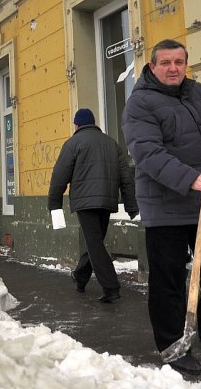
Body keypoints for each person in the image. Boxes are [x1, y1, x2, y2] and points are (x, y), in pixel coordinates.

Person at [121, 39, 201, 376]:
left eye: (179, 62)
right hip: (166, 207)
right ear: (152, 66)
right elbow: (147, 153)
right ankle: (172, 346)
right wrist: (191, 178)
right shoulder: (140, 104)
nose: (173, 68)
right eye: (165, 63)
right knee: (169, 282)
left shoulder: (199, 93)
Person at [48, 108, 139, 303]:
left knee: (94, 243)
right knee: (95, 241)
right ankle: (80, 276)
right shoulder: (111, 144)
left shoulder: (73, 143)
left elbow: (59, 176)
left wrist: (54, 204)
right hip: (107, 201)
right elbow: (126, 177)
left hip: (85, 202)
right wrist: (131, 205)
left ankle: (111, 287)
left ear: (77, 125)